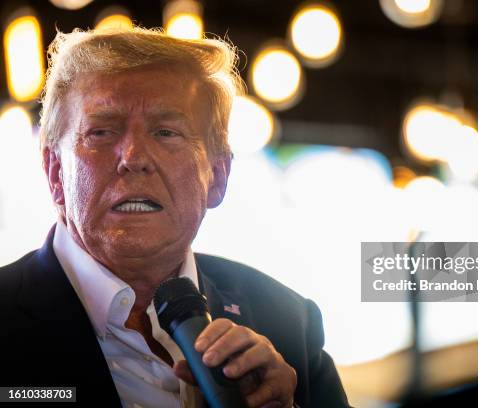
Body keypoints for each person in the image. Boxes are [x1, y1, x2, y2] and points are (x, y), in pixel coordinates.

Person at [0, 27, 350, 408]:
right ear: (54, 172)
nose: (133, 158)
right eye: (101, 132)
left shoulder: (288, 322)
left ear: (217, 176)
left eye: (166, 132)